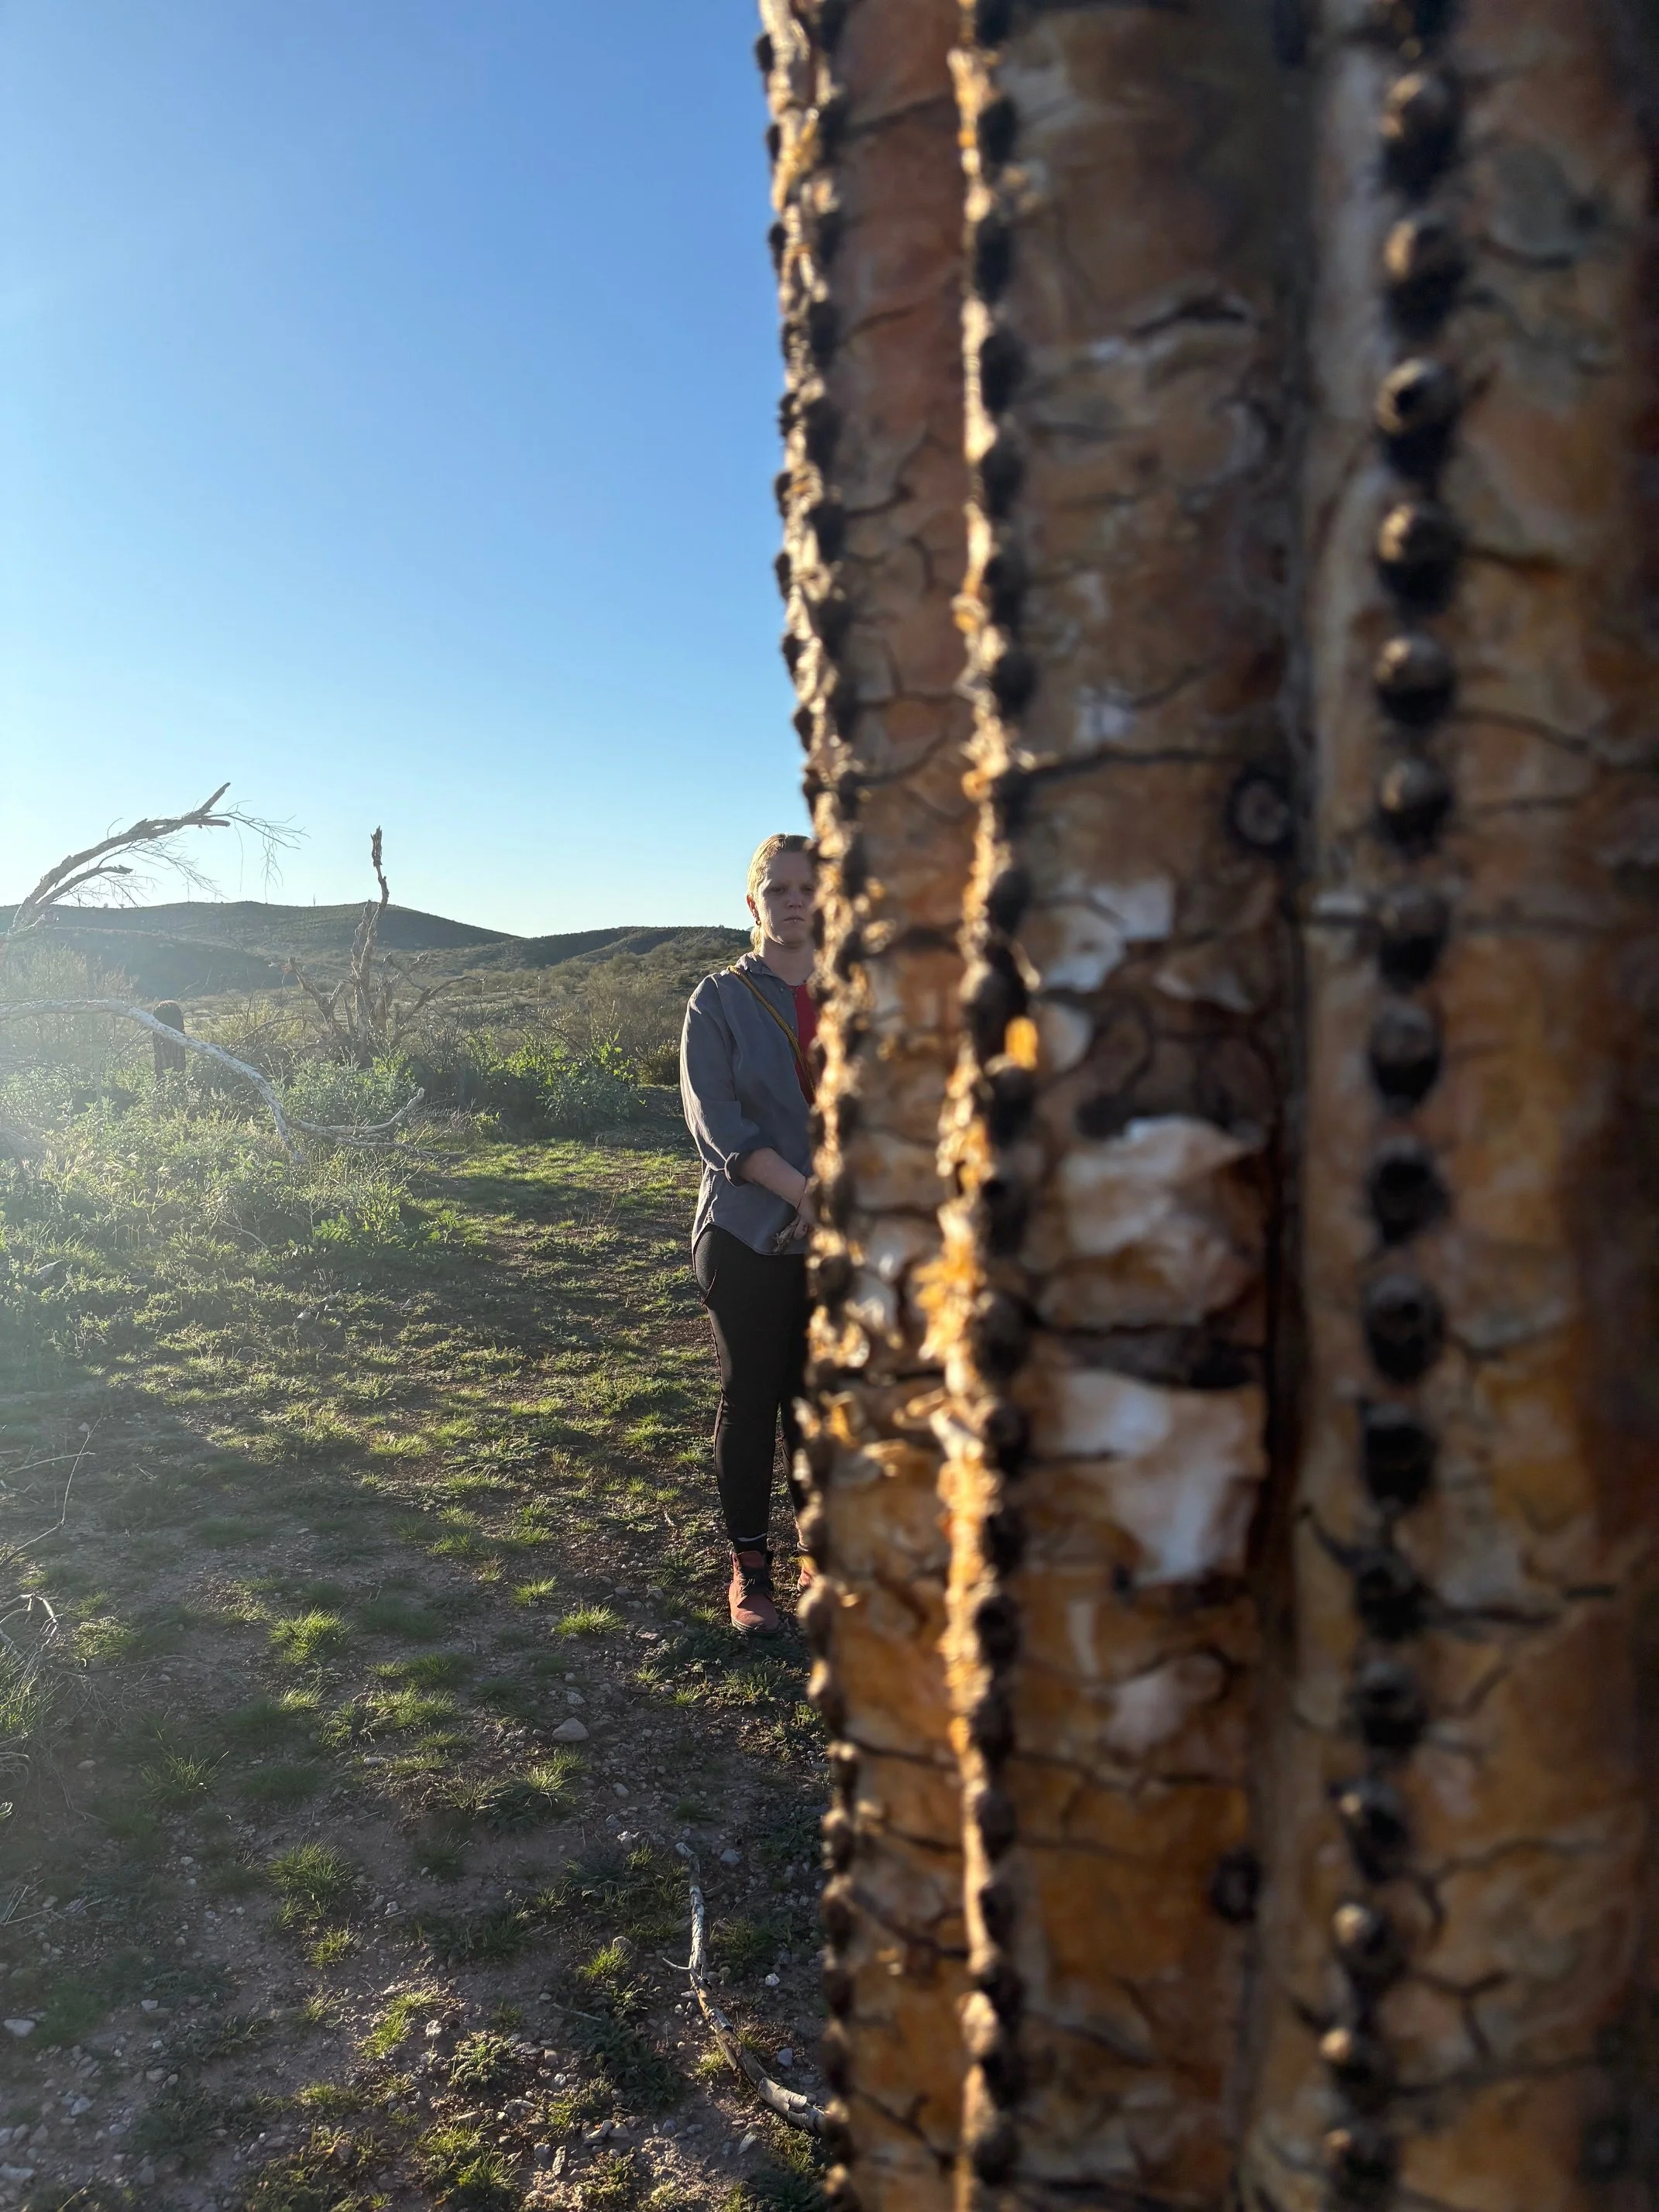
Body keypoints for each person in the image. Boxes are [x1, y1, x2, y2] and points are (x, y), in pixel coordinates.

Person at [679, 834, 818, 1635]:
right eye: (778, 888)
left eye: (806, 887)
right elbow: (717, 1128)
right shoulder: (719, 999)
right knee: (754, 1391)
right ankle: (750, 1569)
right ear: (752, 903)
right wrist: (807, 1193)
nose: (793, 900)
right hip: (744, 1231)